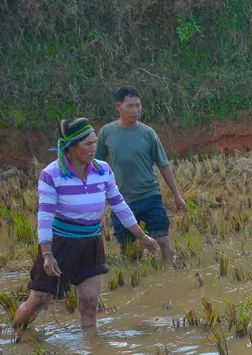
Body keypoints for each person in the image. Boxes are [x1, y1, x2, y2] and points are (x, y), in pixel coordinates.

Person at [13, 118, 158, 331]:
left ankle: (91, 351)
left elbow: (119, 204)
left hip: (91, 243)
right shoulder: (51, 174)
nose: (94, 148)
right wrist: (47, 254)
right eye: (88, 144)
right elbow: (45, 216)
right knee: (39, 300)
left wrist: (142, 237)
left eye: (95, 142)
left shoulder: (103, 170)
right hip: (60, 244)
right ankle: (17, 335)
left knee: (90, 303)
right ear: (71, 147)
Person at [95, 86, 186, 263]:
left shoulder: (148, 133)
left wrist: (177, 195)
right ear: (118, 106)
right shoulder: (106, 133)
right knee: (127, 249)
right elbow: (96, 166)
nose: (135, 110)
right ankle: (134, 282)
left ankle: (167, 274)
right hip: (121, 200)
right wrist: (99, 199)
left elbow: (163, 164)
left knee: (162, 240)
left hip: (149, 195)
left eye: (138, 105)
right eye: (130, 106)